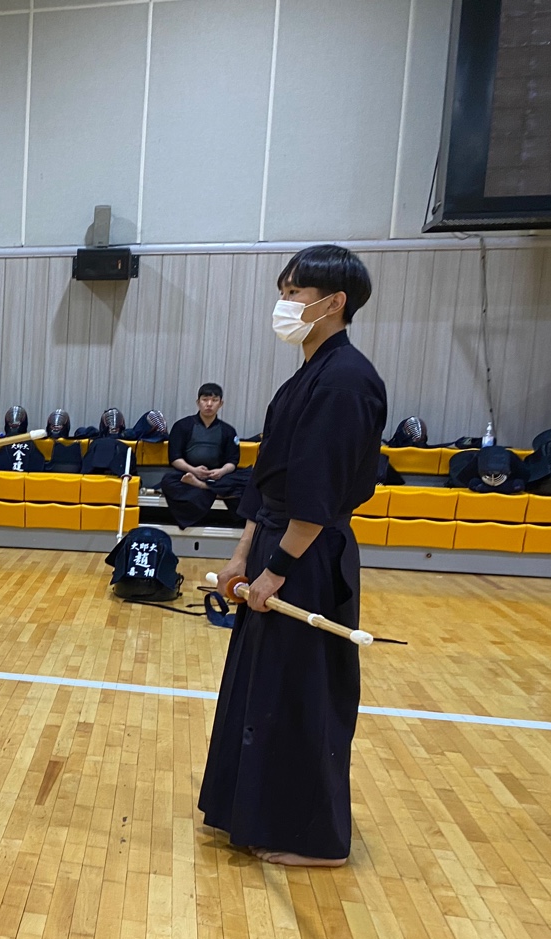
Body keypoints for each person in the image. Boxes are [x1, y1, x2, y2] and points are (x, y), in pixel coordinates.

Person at [200, 244, 387, 868]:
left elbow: (317, 492)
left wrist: (276, 571)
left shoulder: (346, 381)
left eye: (294, 293)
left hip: (306, 556)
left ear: (333, 303)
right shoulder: (304, 377)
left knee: (303, 694)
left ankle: (315, 838)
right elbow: (268, 483)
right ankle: (252, 813)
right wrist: (241, 559)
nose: (283, 305)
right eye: (282, 292)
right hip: (277, 544)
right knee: (263, 688)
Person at [159, 383, 250, 528]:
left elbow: (232, 461)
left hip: (217, 477)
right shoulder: (182, 426)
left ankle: (203, 486)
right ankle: (216, 491)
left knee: (249, 479)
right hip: (188, 474)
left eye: (214, 400)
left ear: (221, 403)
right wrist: (193, 470)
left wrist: (221, 471)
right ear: (198, 402)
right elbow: (175, 458)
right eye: (205, 399)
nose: (209, 404)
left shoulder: (228, 430)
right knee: (168, 481)